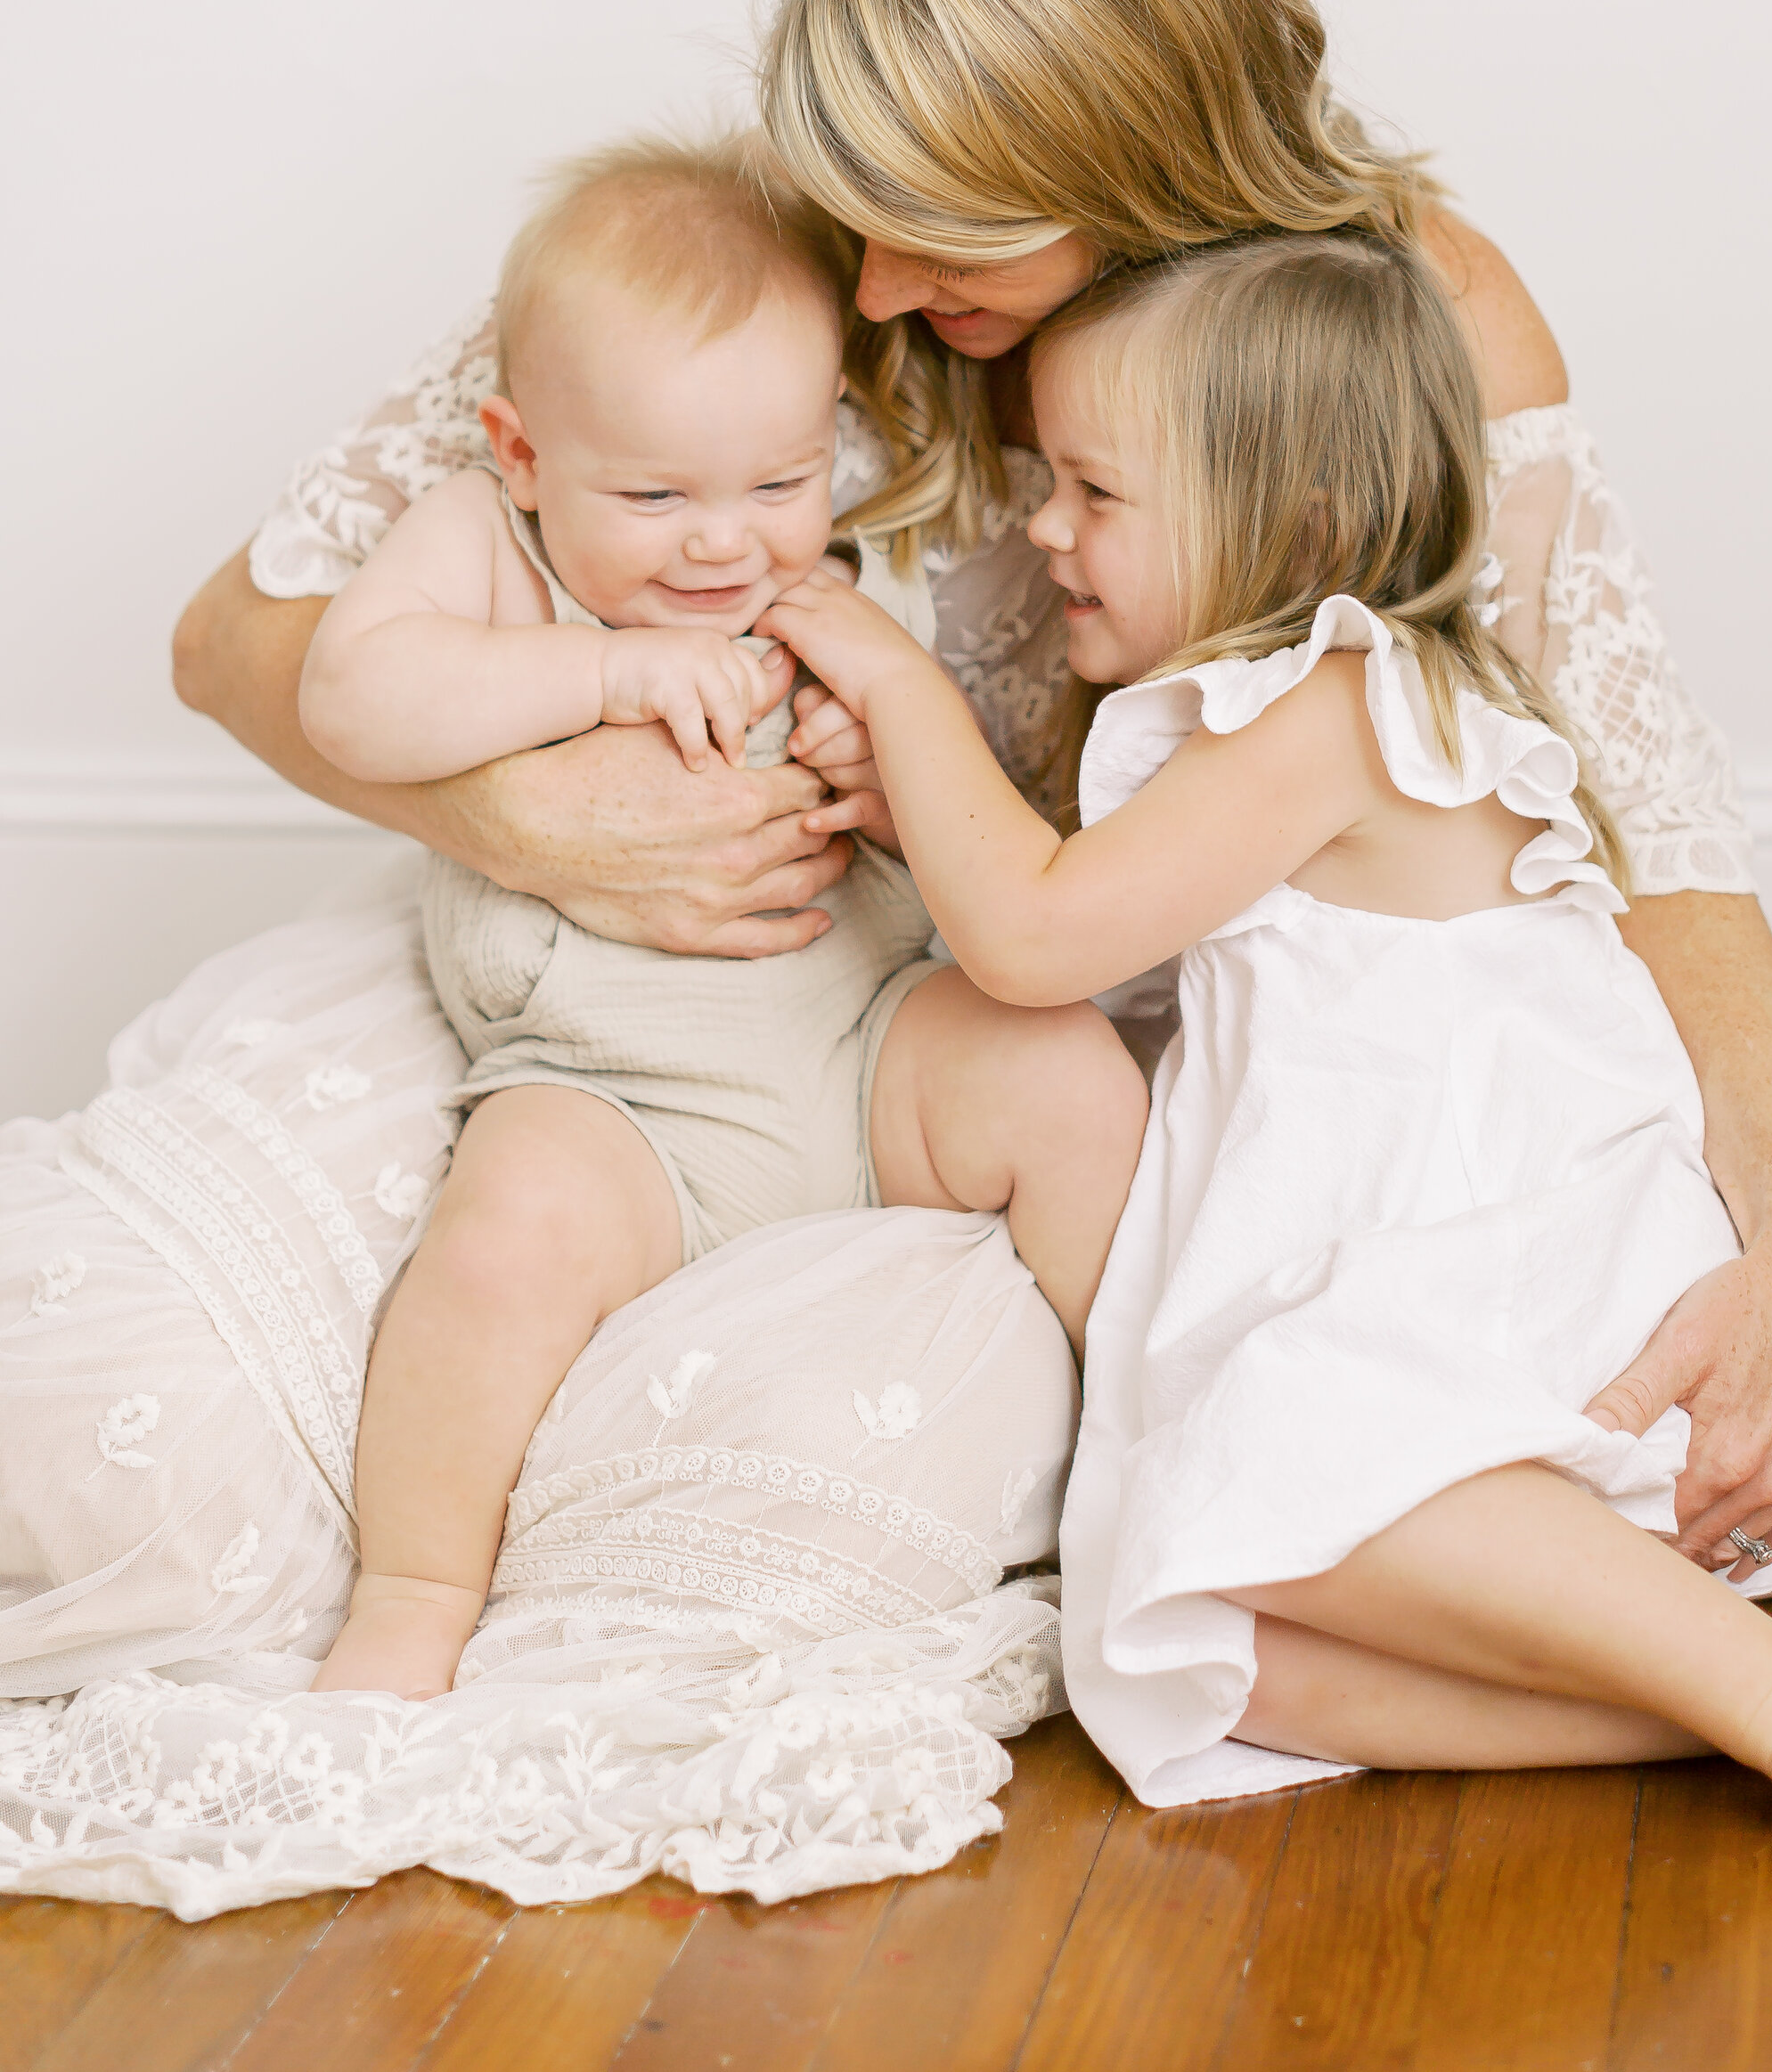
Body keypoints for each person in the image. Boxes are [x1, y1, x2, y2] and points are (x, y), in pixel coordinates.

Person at [170, 0, 1772, 1653]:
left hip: (1037, 1066)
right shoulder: (779, 245)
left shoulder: (1404, 325)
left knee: (873, 1507)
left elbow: (1639, 818)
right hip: (630, 1009)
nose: (874, 289)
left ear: (1134, 170)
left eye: (939, 241)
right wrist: (544, 825)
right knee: (168, 1421)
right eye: (857, 224)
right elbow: (243, 635)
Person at [759, 233, 1772, 1929]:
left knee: (1255, 1467)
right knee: (1198, 1650)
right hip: (1411, 1272)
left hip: (1494, 1276)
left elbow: (1037, 939)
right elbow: (1089, 918)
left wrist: (897, 692)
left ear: (1302, 525)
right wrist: (917, 823)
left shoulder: (1340, 701)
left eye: (1096, 489)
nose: (1047, 528)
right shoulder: (1295, 708)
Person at [297, 133, 1145, 1696]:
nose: (723, 539)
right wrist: (603, 673)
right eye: (658, 493)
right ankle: (413, 1593)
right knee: (494, 1249)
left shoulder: (810, 584)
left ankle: (1165, 1443)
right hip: (622, 1099)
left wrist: (880, 769)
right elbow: (349, 694)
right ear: (525, 450)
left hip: (866, 1044)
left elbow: (969, 849)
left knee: (1072, 1075)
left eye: (780, 480)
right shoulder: (493, 549)